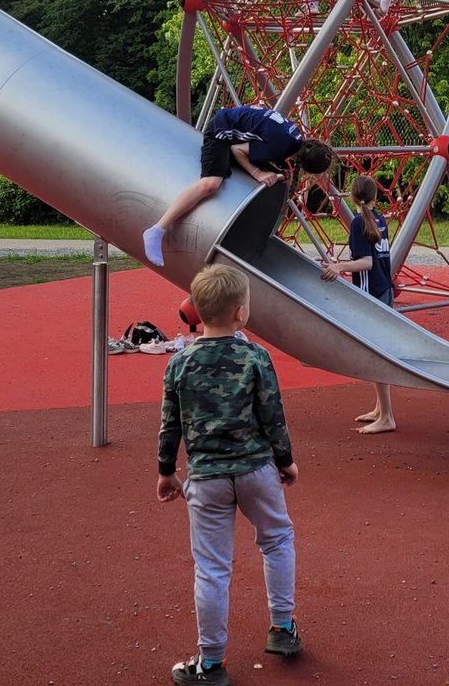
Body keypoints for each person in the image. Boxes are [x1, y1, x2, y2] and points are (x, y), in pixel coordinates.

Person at [157, 264, 303, 684]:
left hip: (205, 477)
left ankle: (211, 662)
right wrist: (285, 460)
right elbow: (272, 414)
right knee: (276, 540)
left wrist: (166, 471)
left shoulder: (179, 364)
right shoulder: (255, 357)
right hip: (256, 468)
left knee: (211, 567)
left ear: (196, 311)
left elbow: (171, 424)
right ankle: (282, 627)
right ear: (241, 313)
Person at [144, 106, 333, 267]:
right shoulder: (280, 145)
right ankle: (157, 229)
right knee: (211, 184)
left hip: (234, 127)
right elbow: (237, 150)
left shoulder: (294, 138)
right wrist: (258, 174)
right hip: (221, 132)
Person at [319, 174, 397, 434]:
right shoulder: (379, 219)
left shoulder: (357, 223)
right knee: (377, 350)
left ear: (351, 197)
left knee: (374, 354)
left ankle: (387, 416)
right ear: (375, 197)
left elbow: (366, 262)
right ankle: (380, 407)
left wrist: (338, 266)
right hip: (384, 288)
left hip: (370, 293)